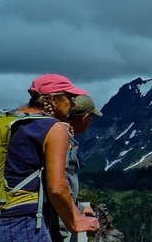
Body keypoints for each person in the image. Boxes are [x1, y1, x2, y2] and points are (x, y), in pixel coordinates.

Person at [0, 74, 100, 242]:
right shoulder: (53, 128)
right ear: (54, 100)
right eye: (70, 98)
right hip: (24, 220)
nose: (73, 104)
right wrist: (75, 222)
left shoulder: (7, 119)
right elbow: (57, 187)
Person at [52, 96, 102, 242]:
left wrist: (78, 206)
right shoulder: (63, 139)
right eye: (91, 117)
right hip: (59, 224)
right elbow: (60, 183)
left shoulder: (54, 134)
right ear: (85, 117)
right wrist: (76, 219)